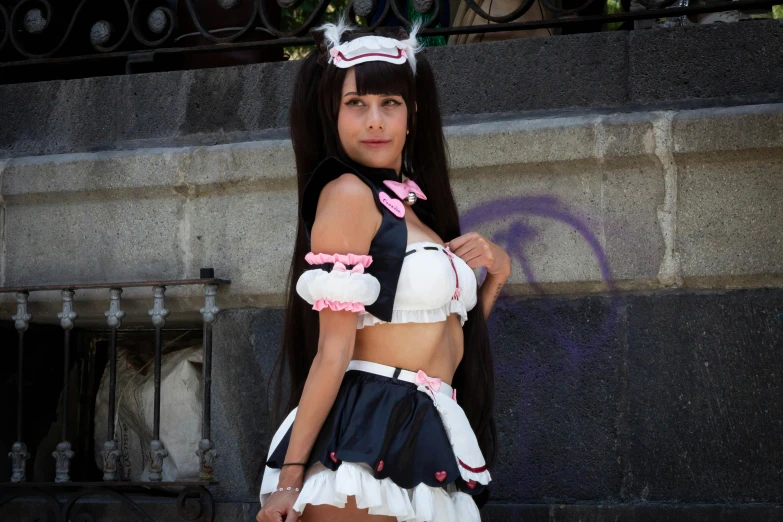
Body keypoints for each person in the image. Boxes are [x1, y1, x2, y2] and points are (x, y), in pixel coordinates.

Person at [256, 17, 511, 522]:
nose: (375, 120)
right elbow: (333, 350)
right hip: (366, 428)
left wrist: (496, 277)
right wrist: (288, 482)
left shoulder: (413, 208)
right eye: (357, 104)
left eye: (389, 103)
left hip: (426, 423)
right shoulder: (348, 195)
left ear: (411, 115)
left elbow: (446, 337)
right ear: (334, 114)